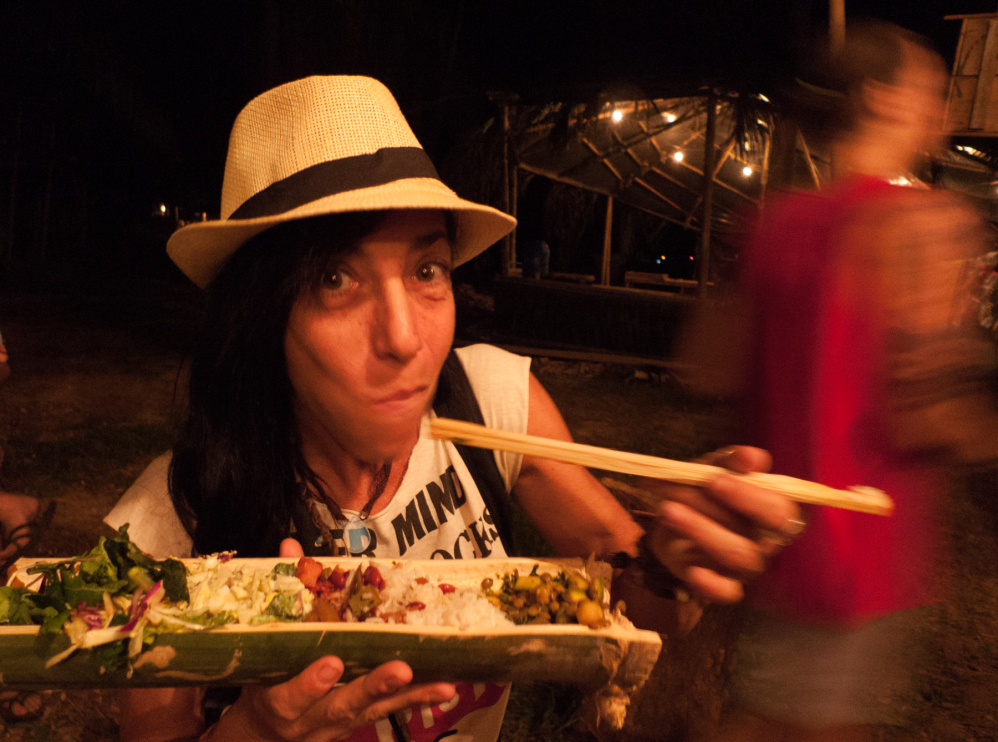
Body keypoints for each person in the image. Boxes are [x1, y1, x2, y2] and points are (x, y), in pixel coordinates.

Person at [104, 75, 801, 742]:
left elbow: (629, 603)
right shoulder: (169, 525)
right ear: (259, 318)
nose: (406, 338)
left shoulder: (491, 400)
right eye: (335, 278)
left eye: (426, 270)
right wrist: (257, 731)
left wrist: (676, 559)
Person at [703, 23, 998, 742]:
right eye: (931, 90)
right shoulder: (924, 226)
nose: (941, 112)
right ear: (882, 99)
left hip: (774, 542)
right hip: (862, 556)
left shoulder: (773, 224)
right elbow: (927, 416)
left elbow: (711, 368)